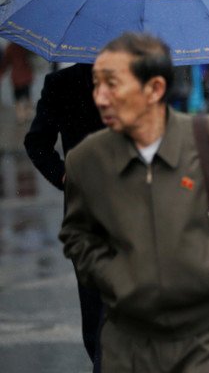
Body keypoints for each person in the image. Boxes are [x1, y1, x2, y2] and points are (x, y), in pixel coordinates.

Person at [58, 32, 209, 372]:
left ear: (155, 89)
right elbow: (77, 234)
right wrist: (114, 276)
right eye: (96, 84)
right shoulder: (86, 160)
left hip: (205, 340)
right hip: (126, 342)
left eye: (112, 85)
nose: (100, 98)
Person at [24, 62, 106, 370]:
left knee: (105, 320)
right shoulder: (63, 83)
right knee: (101, 319)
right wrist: (64, 177)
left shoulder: (133, 79)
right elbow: (36, 143)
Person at [0, 42, 35, 123]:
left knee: (17, 97)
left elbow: (5, 62)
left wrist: (2, 73)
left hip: (16, 76)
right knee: (27, 95)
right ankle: (28, 113)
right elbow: (32, 59)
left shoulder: (10, 48)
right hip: (26, 74)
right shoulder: (26, 46)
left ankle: (20, 116)